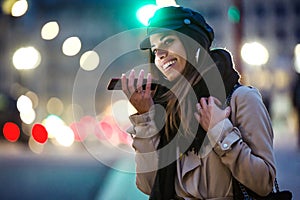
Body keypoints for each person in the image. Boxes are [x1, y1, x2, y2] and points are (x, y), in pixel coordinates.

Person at [120, 6, 276, 199]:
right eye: (154, 49)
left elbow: (264, 183)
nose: (159, 54)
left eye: (168, 41)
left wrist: (220, 130)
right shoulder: (166, 108)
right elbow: (148, 185)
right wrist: (145, 118)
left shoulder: (241, 99)